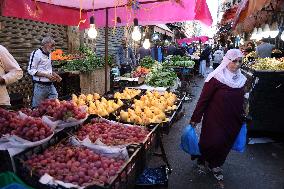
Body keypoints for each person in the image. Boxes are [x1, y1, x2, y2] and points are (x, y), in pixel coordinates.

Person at [189, 49, 247, 183]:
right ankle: (203, 157)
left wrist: (244, 113)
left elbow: (243, 99)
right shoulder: (216, 78)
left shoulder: (241, 79)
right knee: (211, 141)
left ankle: (216, 165)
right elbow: (203, 100)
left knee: (225, 143)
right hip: (215, 118)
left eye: (240, 61)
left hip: (233, 119)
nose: (237, 64)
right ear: (227, 61)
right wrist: (195, 118)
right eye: (234, 61)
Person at [28, 36, 62, 108]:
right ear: (46, 44)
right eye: (52, 45)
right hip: (40, 86)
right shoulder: (36, 53)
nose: (53, 48)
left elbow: (48, 69)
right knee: (37, 108)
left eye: (54, 45)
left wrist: (56, 75)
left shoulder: (49, 54)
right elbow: (31, 70)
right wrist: (46, 75)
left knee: (54, 103)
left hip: (50, 85)